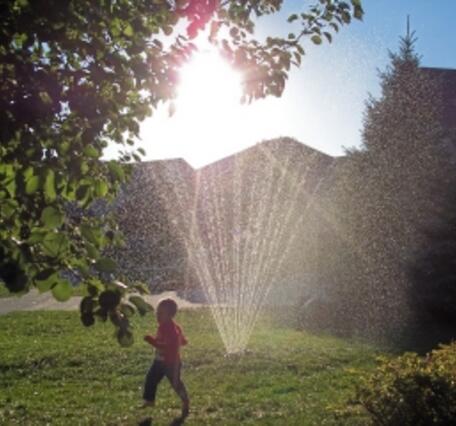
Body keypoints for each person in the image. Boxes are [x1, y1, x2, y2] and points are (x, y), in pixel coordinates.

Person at [142, 298, 190, 419]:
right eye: (157, 312)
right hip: (159, 361)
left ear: (170, 315)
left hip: (171, 363)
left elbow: (165, 347)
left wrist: (151, 341)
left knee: (176, 383)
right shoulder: (165, 326)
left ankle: (185, 401)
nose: (157, 315)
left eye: (161, 313)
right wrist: (182, 341)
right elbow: (180, 338)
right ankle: (149, 401)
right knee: (150, 379)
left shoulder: (170, 329)